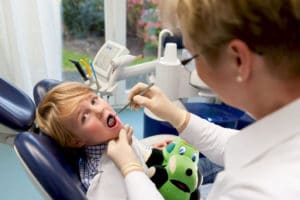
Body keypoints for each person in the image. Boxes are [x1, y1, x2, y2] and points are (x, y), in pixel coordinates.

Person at [107, 0, 300, 199]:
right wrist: (176, 116)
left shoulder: (253, 192)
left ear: (239, 60)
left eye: (193, 57)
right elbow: (236, 144)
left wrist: (130, 168)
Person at [35, 81, 164, 199]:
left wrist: (148, 152)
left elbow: (137, 153)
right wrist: (128, 164)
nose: (99, 110)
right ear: (76, 141)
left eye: (94, 100)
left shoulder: (112, 135)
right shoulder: (101, 179)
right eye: (84, 117)